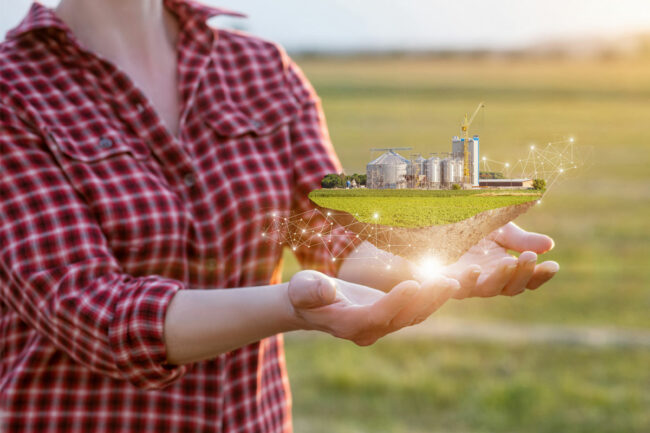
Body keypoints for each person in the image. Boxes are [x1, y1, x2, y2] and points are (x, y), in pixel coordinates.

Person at [0, 0, 559, 431]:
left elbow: (328, 233)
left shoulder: (261, 69)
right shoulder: (12, 90)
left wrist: (432, 242)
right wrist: (291, 305)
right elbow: (90, 311)